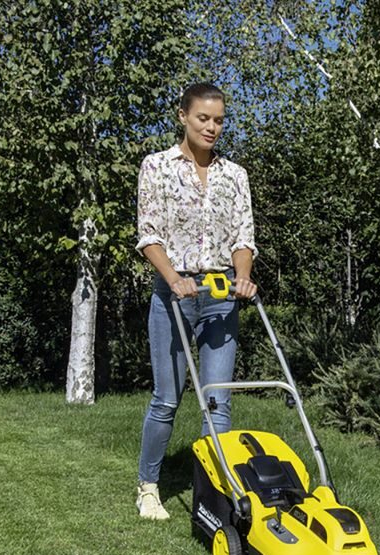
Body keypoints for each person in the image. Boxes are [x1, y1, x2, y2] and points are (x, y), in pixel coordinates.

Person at [135, 82, 257, 520]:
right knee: (167, 397)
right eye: (203, 118)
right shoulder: (157, 167)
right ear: (183, 116)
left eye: (219, 120)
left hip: (220, 295)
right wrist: (173, 279)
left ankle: (212, 496)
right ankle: (148, 486)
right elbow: (149, 233)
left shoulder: (235, 175)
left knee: (218, 399)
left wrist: (242, 277)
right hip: (175, 295)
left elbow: (243, 236)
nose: (212, 127)